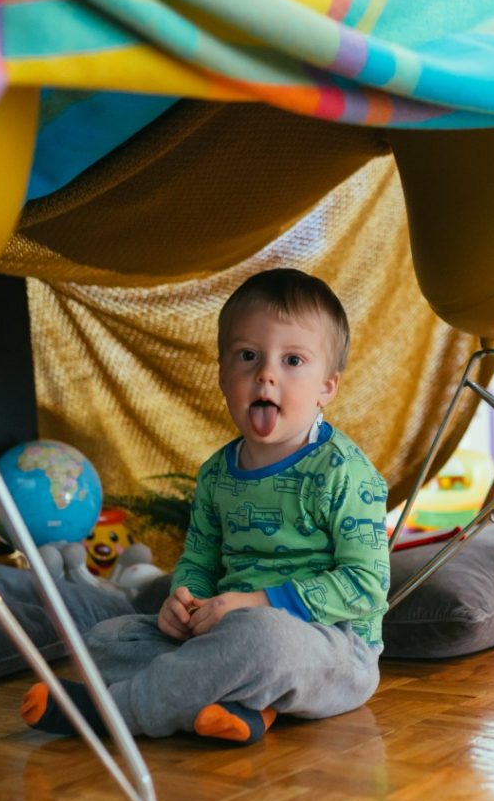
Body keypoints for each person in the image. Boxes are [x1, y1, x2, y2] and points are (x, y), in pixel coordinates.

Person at [20, 268, 389, 745]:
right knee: (106, 639)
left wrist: (257, 603)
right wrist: (184, 599)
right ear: (222, 374)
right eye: (248, 356)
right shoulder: (217, 474)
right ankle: (244, 707)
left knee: (261, 640)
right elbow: (199, 558)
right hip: (223, 631)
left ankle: (115, 714)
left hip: (332, 649)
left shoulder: (344, 473)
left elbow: (366, 586)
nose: (267, 374)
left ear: (327, 387)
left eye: (293, 360)